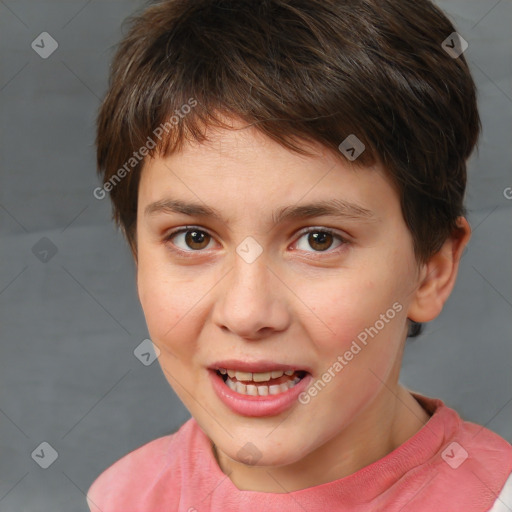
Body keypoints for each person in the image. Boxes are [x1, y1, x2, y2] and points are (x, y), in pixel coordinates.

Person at [87, 0, 512, 510]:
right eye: (194, 238)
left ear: (431, 271)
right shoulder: (122, 498)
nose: (247, 313)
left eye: (318, 239)